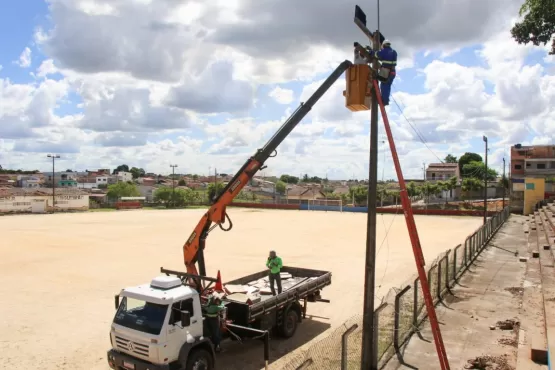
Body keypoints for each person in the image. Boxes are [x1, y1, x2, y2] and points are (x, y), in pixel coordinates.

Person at [374, 39, 397, 106]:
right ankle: (386, 100)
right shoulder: (394, 52)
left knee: (384, 86)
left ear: (384, 45)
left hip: (386, 73)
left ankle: (385, 101)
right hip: (393, 73)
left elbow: (377, 54)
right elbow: (384, 58)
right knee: (388, 86)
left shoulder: (384, 51)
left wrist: (370, 51)